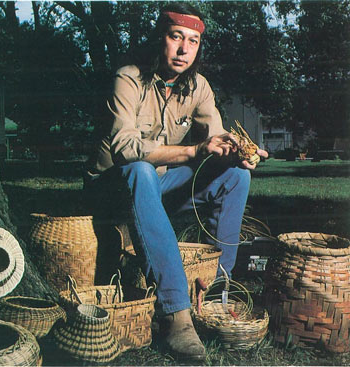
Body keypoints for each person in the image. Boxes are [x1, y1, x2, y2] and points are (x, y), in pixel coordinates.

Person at [85, 3, 268, 361]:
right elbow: (125, 149)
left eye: (194, 41)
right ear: (160, 38)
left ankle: (216, 290)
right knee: (140, 170)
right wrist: (192, 151)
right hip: (111, 190)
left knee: (235, 176)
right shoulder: (128, 77)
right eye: (176, 37)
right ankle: (176, 315)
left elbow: (216, 135)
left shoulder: (198, 86)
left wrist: (238, 152)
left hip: (159, 187)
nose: (184, 49)